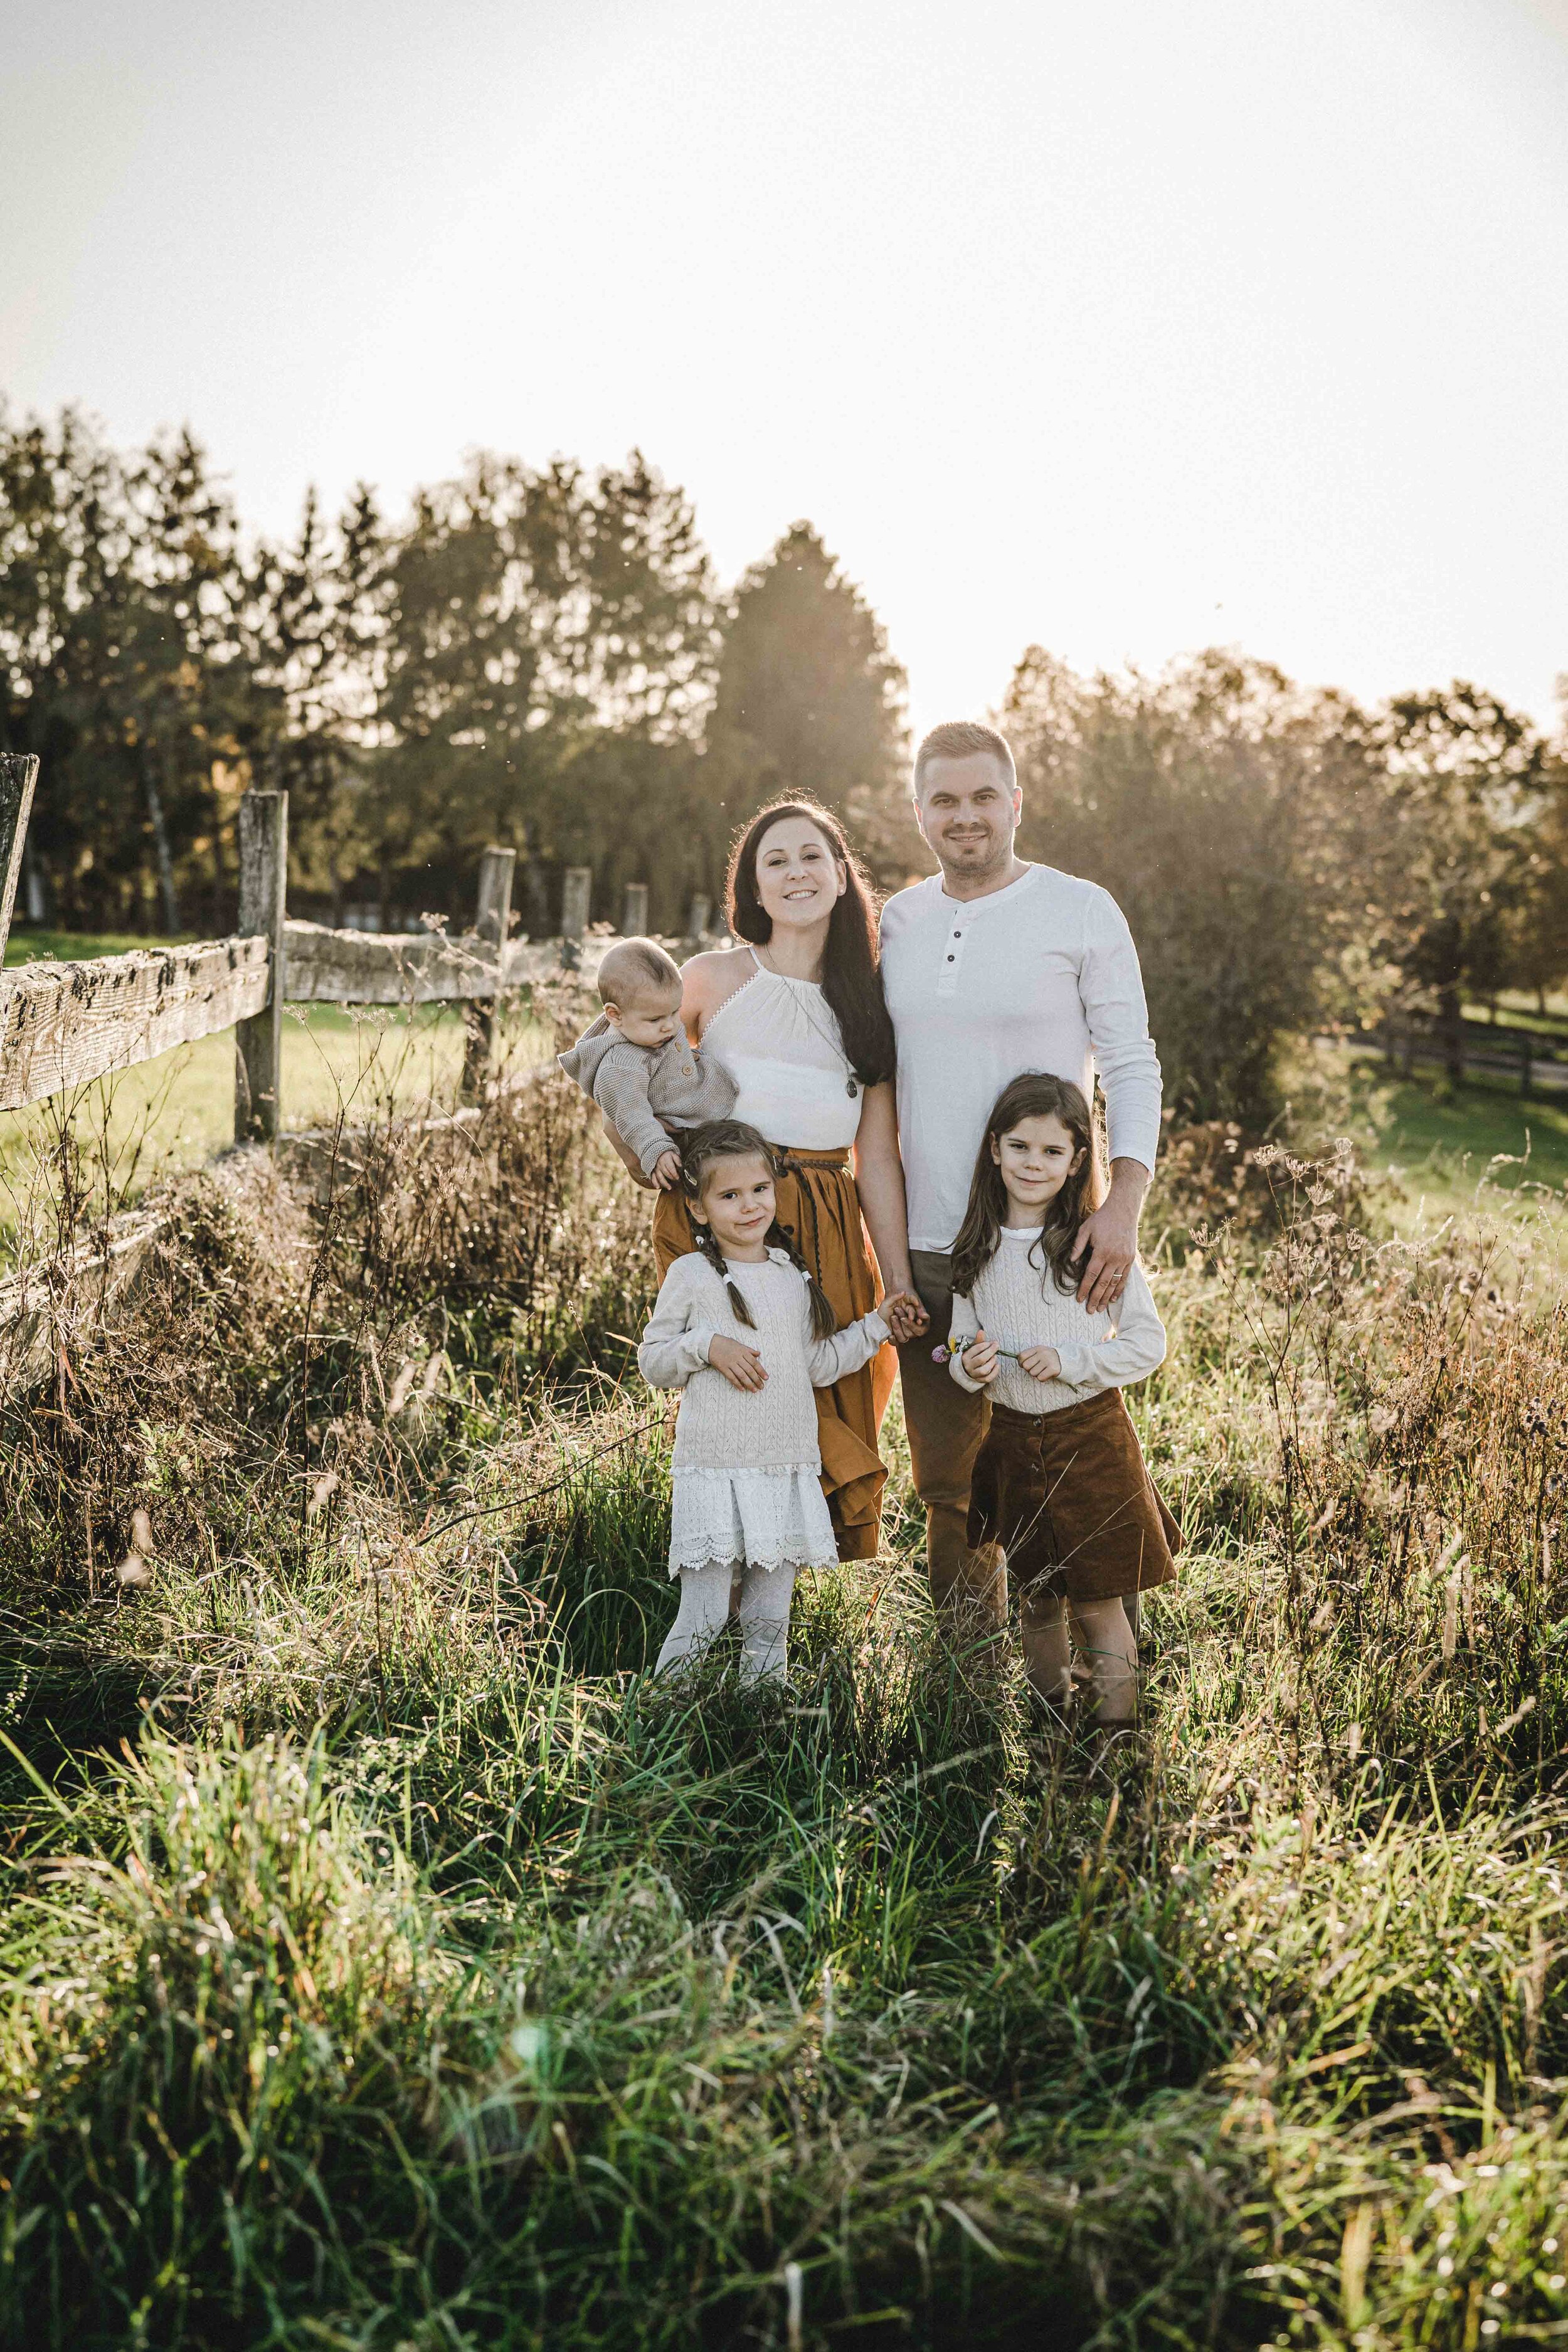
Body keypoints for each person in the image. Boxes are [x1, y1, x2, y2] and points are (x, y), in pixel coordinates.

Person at [880, 719, 1162, 1623]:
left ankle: (1086, 1678)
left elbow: (1131, 1063)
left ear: (1016, 800)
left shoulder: (1080, 908)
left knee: (1061, 1452)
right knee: (948, 1481)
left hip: (1045, 1242)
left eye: (983, 796)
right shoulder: (902, 918)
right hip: (933, 1238)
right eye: (945, 799)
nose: (965, 816)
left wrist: (1122, 1204)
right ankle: (964, 1684)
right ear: (919, 810)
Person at [604, 801, 928, 1561]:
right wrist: (642, 1151)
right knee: (741, 1394)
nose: (795, 874)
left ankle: (779, 1611)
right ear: (751, 886)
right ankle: (717, 1578)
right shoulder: (713, 978)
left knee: (830, 1388)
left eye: (811, 856)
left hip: (826, 1217)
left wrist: (898, 1282)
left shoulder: (867, 1006)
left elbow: (877, 1159)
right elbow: (610, 1058)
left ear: (843, 877)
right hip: (721, 1219)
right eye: (773, 861)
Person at [943, 1073, 1178, 1729]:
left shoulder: (1093, 1246)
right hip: (1013, 1441)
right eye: (1019, 1147)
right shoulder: (976, 1248)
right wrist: (969, 1365)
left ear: (1079, 1161)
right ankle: (1050, 1725)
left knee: (1098, 1603)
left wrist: (1074, 1362)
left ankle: (1113, 1740)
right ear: (994, 1150)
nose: (1032, 1164)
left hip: (1091, 1440)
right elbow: (960, 1343)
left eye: (1051, 1152)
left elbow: (1146, 1345)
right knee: (1037, 1599)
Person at [637, 1123, 899, 1683]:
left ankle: (762, 1728)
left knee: (769, 1621)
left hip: (783, 1468)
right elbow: (653, 1361)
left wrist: (878, 1325)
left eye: (759, 1189)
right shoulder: (692, 1276)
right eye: (728, 1195)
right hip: (716, 1469)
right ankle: (659, 1720)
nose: (749, 1205)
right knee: (703, 1615)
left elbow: (817, 1364)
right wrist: (707, 1345)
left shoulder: (790, 1276)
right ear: (700, 1208)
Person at [557, 936, 736, 1187]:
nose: (670, 1025)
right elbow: (633, 1116)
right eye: (655, 1020)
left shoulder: (651, 1032)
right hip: (683, 1140)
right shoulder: (619, 1065)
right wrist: (657, 1149)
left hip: (706, 1116)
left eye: (675, 1012)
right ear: (615, 1015)